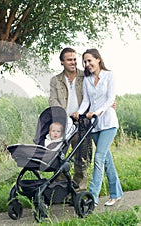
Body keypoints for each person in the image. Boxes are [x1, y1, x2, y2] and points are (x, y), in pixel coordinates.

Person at [72, 48, 123, 206]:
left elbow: (110, 100)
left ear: (98, 59)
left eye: (89, 61)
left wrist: (97, 112)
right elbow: (86, 101)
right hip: (94, 126)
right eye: (85, 62)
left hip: (108, 123)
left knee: (99, 158)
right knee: (106, 160)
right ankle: (116, 193)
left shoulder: (109, 76)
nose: (87, 64)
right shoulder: (87, 80)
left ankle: (92, 197)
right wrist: (79, 113)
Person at [49, 47, 92, 191]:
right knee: (59, 156)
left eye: (74, 59)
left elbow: (95, 94)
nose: (73, 62)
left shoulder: (85, 76)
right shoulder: (56, 80)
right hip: (64, 124)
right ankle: (62, 188)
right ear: (62, 62)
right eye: (69, 60)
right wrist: (62, 114)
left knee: (81, 158)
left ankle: (79, 190)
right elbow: (53, 100)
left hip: (81, 123)